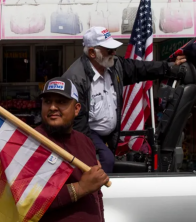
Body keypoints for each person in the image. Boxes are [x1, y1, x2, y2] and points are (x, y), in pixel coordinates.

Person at [22, 77, 109, 222]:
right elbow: (30, 200)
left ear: (77, 108)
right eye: (47, 101)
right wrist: (80, 188)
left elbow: (97, 194)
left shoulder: (85, 143)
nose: (52, 107)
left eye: (61, 102)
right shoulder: (32, 143)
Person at [63, 27, 187, 174]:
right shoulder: (75, 78)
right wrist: (91, 152)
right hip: (87, 132)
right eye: (109, 50)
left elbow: (141, 69)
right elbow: (77, 123)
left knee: (109, 161)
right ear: (92, 53)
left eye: (114, 49)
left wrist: (168, 67)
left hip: (109, 134)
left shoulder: (115, 66)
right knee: (105, 160)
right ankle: (98, 194)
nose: (114, 53)